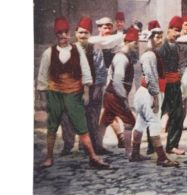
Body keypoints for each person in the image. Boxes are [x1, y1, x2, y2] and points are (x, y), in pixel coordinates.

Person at [36, 17, 110, 169]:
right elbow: (44, 75)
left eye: (65, 32)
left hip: (81, 91)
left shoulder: (84, 50)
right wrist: (44, 97)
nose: (63, 36)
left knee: (85, 123)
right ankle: (56, 152)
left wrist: (90, 91)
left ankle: (92, 153)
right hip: (59, 93)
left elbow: (92, 72)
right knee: (58, 123)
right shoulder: (53, 52)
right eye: (60, 33)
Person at [60, 16, 110, 156]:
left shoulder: (95, 50)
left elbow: (101, 70)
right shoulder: (69, 49)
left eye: (86, 33)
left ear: (90, 34)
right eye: (80, 32)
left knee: (92, 118)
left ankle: (90, 146)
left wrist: (98, 88)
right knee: (68, 118)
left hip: (93, 88)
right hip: (73, 89)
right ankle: (68, 146)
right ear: (76, 33)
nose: (83, 35)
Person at [131, 20, 179, 167]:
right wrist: (155, 98)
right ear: (150, 38)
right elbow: (151, 77)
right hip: (149, 93)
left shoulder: (153, 54)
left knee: (140, 122)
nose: (159, 40)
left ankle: (134, 153)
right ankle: (161, 157)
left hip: (144, 93)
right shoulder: (150, 56)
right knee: (154, 123)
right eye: (156, 37)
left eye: (160, 37)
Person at [97, 27, 139, 156]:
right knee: (130, 121)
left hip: (111, 94)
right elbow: (117, 82)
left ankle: (97, 146)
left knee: (105, 121)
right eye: (135, 43)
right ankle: (129, 152)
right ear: (127, 42)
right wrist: (124, 99)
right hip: (115, 95)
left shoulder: (124, 56)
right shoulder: (122, 58)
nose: (137, 46)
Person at [158, 16, 186, 155]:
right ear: (168, 30)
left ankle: (172, 145)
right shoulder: (162, 48)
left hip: (174, 85)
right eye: (175, 30)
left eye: (179, 31)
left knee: (178, 114)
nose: (177, 33)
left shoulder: (177, 47)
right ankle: (151, 145)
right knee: (156, 114)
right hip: (163, 85)